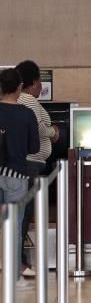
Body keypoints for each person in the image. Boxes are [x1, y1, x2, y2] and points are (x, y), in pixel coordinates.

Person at [16, 60, 59, 278]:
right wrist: (53, 132)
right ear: (33, 82)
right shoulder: (29, 100)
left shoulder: (21, 99)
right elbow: (38, 127)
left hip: (30, 164)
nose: (41, 85)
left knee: (23, 213)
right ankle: (18, 263)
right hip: (30, 164)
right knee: (23, 215)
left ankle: (18, 261)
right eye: (39, 81)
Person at [0, 68, 40, 280]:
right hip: (16, 175)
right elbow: (33, 148)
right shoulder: (26, 114)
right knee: (15, 226)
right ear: (19, 88)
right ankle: (13, 272)